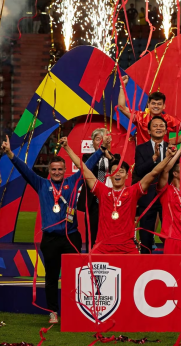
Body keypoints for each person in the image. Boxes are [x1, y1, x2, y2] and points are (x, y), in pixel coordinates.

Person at [2, 135, 104, 324]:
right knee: (51, 277)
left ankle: (74, 310)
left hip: (71, 237)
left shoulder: (73, 181)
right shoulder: (41, 184)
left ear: (65, 170)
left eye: (60, 169)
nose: (57, 172)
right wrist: (9, 154)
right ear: (49, 171)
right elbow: (25, 170)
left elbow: (86, 166)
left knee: (75, 276)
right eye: (54, 169)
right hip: (50, 239)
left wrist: (101, 150)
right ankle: (53, 312)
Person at [62, 138, 174, 254]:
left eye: (121, 171)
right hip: (102, 247)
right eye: (114, 171)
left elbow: (154, 173)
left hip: (127, 248)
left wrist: (168, 157)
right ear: (110, 175)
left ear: (127, 175)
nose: (117, 174)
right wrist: (66, 147)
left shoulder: (133, 191)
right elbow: (83, 168)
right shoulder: (102, 191)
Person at [133, 116, 171, 254]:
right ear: (148, 131)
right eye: (155, 126)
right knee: (146, 236)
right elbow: (139, 171)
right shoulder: (141, 149)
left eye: (161, 126)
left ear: (166, 130)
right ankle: (145, 261)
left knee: (169, 234)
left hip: (167, 196)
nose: (158, 128)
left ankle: (171, 261)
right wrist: (153, 159)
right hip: (147, 196)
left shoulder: (171, 148)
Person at [76, 129, 115, 246]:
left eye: (104, 139)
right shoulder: (87, 157)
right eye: (98, 139)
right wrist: (100, 152)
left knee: (110, 234)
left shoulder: (114, 158)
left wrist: (108, 156)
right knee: (91, 234)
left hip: (109, 200)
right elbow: (87, 169)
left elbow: (118, 169)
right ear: (92, 142)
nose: (101, 142)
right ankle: (90, 254)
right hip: (92, 201)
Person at [117, 75, 181, 144]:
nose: (156, 106)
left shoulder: (168, 119)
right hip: (143, 151)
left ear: (164, 106)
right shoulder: (140, 117)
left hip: (163, 151)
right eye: (153, 103)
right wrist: (122, 86)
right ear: (148, 105)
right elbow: (122, 108)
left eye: (159, 104)